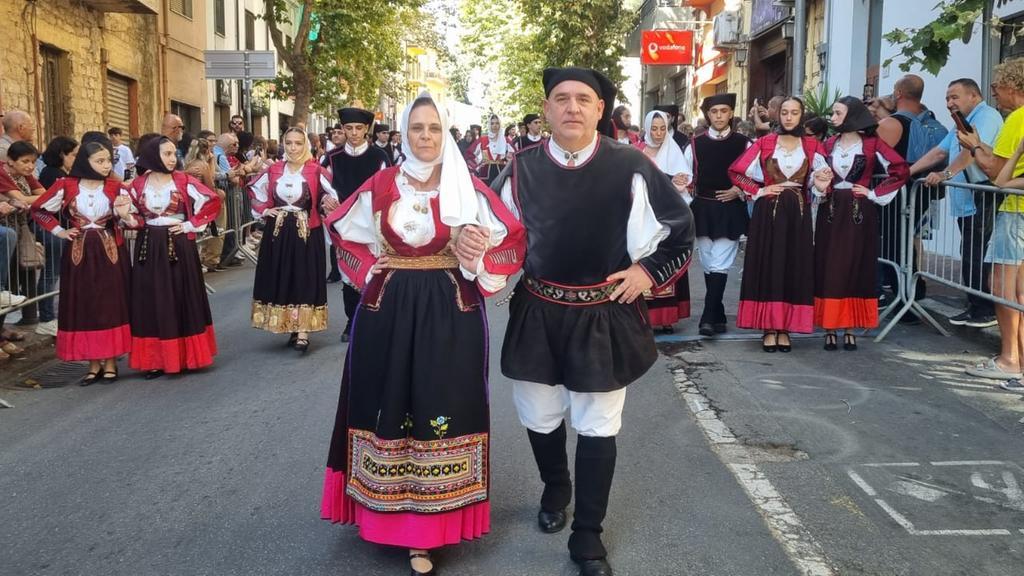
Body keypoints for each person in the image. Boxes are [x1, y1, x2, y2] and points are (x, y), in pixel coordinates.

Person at [476, 67, 693, 576]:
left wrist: (646, 271)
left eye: (583, 99)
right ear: (547, 110)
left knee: (598, 421)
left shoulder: (630, 166)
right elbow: (487, 233)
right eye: (560, 99)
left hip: (604, 313)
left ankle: (588, 534)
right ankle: (556, 486)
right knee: (539, 412)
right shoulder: (521, 168)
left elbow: (679, 231)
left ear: (600, 109)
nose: (572, 107)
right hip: (538, 309)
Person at [320, 92, 526, 576]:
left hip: (449, 308)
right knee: (384, 401)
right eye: (417, 128)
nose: (426, 136)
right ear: (404, 132)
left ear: (445, 132)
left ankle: (429, 530)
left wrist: (475, 253)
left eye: (434, 128)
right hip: (387, 308)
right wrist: (372, 267)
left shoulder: (466, 186)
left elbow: (511, 238)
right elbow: (341, 228)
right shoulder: (383, 183)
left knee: (443, 403)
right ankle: (382, 514)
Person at [729, 97, 832, 352]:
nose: (788, 117)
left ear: (801, 116)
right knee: (769, 264)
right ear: (778, 115)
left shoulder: (811, 145)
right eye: (784, 112)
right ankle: (768, 326)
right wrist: (760, 190)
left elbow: (821, 180)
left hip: (797, 213)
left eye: (794, 113)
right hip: (768, 213)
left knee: (793, 265)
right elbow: (736, 171)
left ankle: (785, 327)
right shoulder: (765, 143)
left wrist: (820, 185)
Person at [30, 137, 133, 383]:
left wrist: (123, 215)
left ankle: (110, 362)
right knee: (85, 304)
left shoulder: (115, 188)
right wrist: (59, 231)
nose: (107, 165)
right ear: (85, 162)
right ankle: (92, 363)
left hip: (109, 251)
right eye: (100, 161)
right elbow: (39, 209)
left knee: (109, 303)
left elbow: (131, 219)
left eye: (109, 160)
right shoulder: (66, 185)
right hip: (78, 253)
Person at [816, 96, 909, 351]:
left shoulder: (871, 144)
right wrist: (820, 188)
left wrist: (874, 194)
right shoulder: (828, 144)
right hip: (831, 211)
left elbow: (900, 169)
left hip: (860, 212)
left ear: (852, 116)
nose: (832, 118)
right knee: (830, 265)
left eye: (837, 113)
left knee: (857, 264)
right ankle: (830, 326)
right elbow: (814, 173)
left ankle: (850, 326)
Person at [125, 137, 221, 379]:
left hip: (178, 243)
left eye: (172, 154)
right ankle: (156, 360)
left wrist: (190, 224)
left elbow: (211, 201)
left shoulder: (183, 180)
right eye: (166, 154)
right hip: (149, 245)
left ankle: (186, 356)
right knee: (151, 298)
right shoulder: (137, 185)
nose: (172, 158)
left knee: (181, 294)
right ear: (152, 155)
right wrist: (128, 218)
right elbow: (133, 217)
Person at [911, 78, 1003, 329]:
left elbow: (971, 153)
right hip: (966, 199)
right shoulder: (960, 123)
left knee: (976, 252)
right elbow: (940, 152)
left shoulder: (987, 116)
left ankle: (985, 308)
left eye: (955, 97)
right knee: (970, 250)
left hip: (981, 194)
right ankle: (975, 305)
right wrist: (908, 172)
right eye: (947, 98)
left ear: (974, 96)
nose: (950, 103)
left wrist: (945, 175)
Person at [957, 58, 1024, 390]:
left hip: (1015, 211)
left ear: (1013, 86)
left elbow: (996, 173)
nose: (995, 94)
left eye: (997, 87)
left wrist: (973, 147)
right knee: (1019, 289)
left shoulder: (1018, 119)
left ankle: (1010, 359)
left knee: (1002, 285)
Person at [248, 128, 339, 352]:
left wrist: (326, 202)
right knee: (282, 275)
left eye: (298, 143)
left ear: (305, 145)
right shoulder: (274, 170)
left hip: (306, 231)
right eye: (288, 143)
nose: (293, 148)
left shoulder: (315, 171)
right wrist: (264, 210)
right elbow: (255, 191)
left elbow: (333, 196)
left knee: (304, 277)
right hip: (278, 232)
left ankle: (303, 331)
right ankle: (290, 323)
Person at [681, 94, 751, 336]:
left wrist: (739, 189)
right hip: (703, 207)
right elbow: (686, 177)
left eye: (724, 111)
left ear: (731, 113)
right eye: (714, 112)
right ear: (707, 115)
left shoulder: (745, 143)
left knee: (720, 261)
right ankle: (718, 313)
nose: (719, 116)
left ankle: (708, 318)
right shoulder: (694, 144)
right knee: (709, 260)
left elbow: (756, 174)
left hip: (730, 209)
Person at [322, 107, 390, 342]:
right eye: (348, 128)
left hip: (372, 223)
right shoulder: (332, 158)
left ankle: (375, 318)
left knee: (375, 269)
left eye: (358, 128)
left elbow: (387, 188)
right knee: (348, 273)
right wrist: (326, 200)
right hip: (344, 224)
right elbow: (324, 186)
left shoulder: (379, 157)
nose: (353, 133)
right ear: (342, 129)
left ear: (366, 130)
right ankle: (352, 320)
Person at [636, 109, 691, 332]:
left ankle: (666, 315)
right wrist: (669, 179)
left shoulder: (674, 151)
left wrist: (678, 181)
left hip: (668, 217)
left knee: (667, 258)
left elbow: (684, 181)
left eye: (662, 128)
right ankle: (644, 314)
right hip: (642, 217)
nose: (658, 133)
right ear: (647, 129)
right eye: (654, 128)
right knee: (644, 259)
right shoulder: (636, 152)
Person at [28, 136, 79, 337]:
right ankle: (47, 317)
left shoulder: (60, 174)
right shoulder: (53, 174)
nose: (77, 159)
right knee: (51, 273)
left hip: (57, 228)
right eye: (74, 155)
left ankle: (50, 315)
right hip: (51, 229)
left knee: (54, 273)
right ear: (62, 155)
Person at [466, 114, 508, 185]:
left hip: (502, 175)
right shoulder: (482, 140)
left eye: (497, 123)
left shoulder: (506, 140)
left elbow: (514, 157)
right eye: (492, 123)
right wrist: (476, 166)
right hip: (485, 176)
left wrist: (507, 164)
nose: (495, 126)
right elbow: (469, 154)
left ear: (500, 125)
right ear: (489, 125)